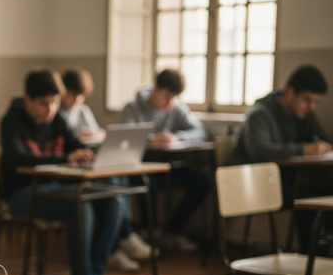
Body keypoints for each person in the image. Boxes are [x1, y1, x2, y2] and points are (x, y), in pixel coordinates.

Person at [0, 69, 126, 275]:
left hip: (56, 189)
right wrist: (64, 157)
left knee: (114, 201)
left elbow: (75, 146)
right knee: (81, 206)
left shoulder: (58, 120)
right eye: (43, 103)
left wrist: (86, 153)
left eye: (55, 102)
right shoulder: (11, 120)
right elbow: (17, 159)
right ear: (27, 99)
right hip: (23, 195)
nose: (50, 109)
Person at [60, 68, 152, 273]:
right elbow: (68, 143)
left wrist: (95, 135)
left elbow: (98, 133)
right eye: (73, 94)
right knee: (112, 189)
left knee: (118, 180)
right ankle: (124, 237)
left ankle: (120, 242)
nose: (77, 100)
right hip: (72, 171)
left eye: (81, 95)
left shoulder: (82, 110)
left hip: (90, 159)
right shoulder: (55, 111)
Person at [232, 64, 331, 251]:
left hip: (286, 180)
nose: (311, 107)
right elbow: (260, 151)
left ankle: (320, 263)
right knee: (308, 198)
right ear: (290, 92)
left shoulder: (304, 114)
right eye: (307, 100)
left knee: (322, 192)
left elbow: (324, 140)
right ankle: (313, 263)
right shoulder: (260, 114)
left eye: (316, 102)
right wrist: (303, 150)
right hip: (255, 182)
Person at [122, 68, 211, 253]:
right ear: (155, 88)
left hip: (168, 165)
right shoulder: (132, 108)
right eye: (167, 96)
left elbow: (200, 131)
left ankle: (171, 230)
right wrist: (151, 139)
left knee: (202, 183)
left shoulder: (176, 108)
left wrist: (177, 137)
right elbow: (125, 139)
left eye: (174, 97)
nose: (170, 102)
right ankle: (150, 233)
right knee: (148, 183)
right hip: (141, 165)